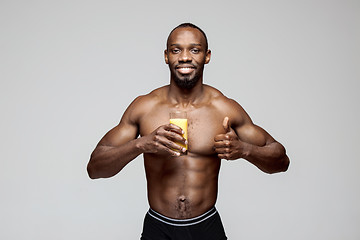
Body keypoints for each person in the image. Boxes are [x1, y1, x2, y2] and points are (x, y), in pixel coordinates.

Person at [87, 23, 290, 240]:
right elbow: (95, 168)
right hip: (158, 226)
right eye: (176, 50)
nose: (185, 57)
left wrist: (245, 150)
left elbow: (281, 161)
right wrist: (141, 144)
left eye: (194, 50)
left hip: (206, 226)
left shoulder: (224, 108)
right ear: (166, 56)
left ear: (207, 56)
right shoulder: (144, 107)